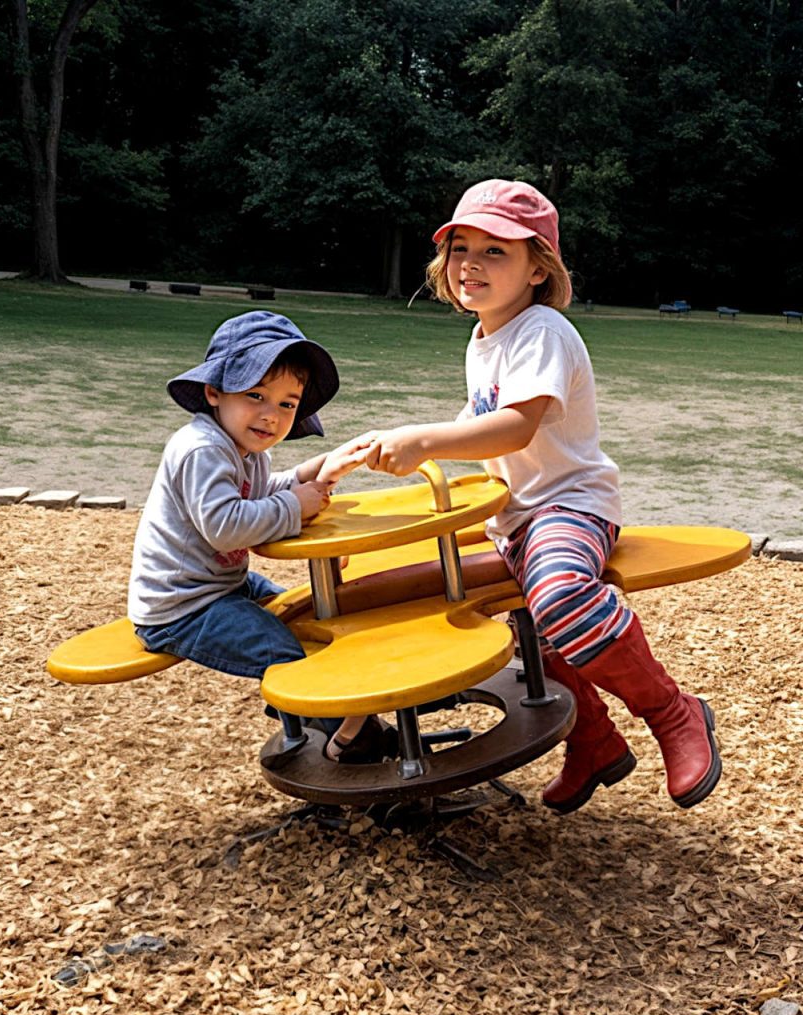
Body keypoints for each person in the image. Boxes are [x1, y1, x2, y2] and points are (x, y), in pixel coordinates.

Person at [363, 180, 722, 810]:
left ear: (538, 269)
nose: (470, 263)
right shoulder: (485, 339)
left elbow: (515, 424)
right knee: (509, 619)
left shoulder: (542, 331)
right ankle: (595, 741)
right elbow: (482, 417)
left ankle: (673, 713)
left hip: (570, 506)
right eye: (460, 247)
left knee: (556, 598)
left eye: (495, 251)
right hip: (516, 518)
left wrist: (424, 441)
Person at [127, 310, 393, 764]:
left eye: (288, 404)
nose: (271, 416)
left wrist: (315, 472)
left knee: (304, 614)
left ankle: (313, 713)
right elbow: (226, 524)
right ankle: (349, 743)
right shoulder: (203, 449)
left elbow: (260, 492)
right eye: (256, 395)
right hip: (183, 606)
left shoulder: (243, 448)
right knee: (284, 650)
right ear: (214, 392)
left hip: (224, 585)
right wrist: (297, 506)